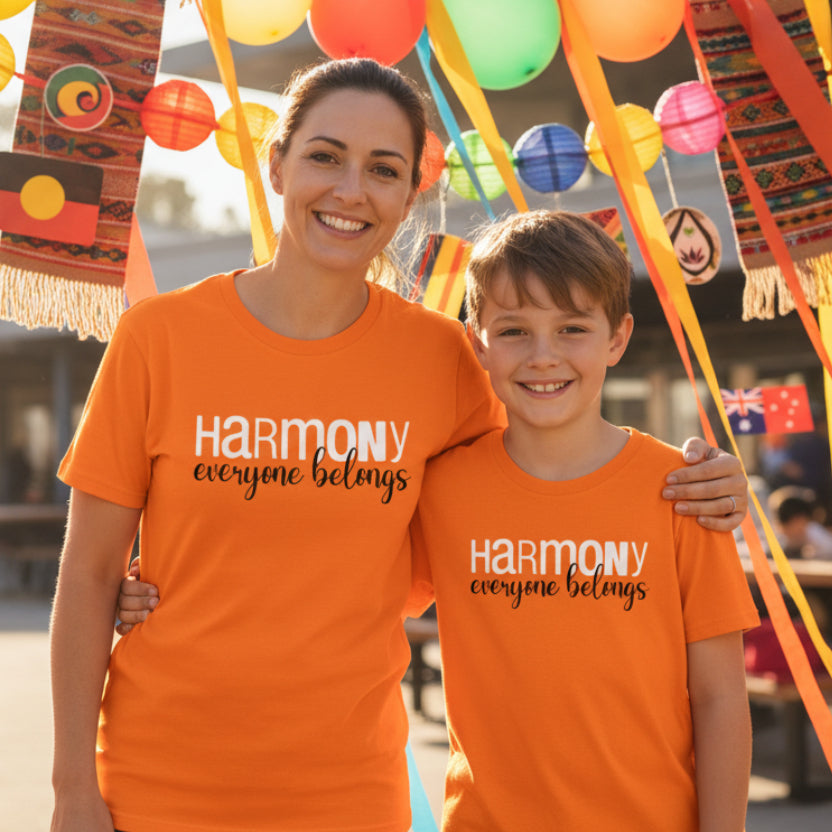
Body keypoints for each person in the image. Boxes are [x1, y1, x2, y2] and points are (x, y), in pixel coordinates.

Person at [52, 59, 748, 832]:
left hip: (347, 792)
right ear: (275, 163)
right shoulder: (159, 337)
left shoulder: (445, 357)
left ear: (411, 191)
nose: (351, 190)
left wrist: (707, 484)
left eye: (383, 169)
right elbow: (87, 573)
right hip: (155, 781)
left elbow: (546, 474)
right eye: (325, 155)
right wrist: (73, 790)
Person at [404, 211, 760, 831]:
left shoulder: (684, 488)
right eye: (513, 330)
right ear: (477, 340)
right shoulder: (438, 489)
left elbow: (721, 696)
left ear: (617, 338)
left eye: (572, 328)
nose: (544, 357)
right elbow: (335, 585)